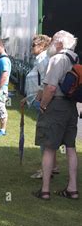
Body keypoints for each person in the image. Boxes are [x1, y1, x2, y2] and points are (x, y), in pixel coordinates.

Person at [33, 30, 79, 200]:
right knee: (71, 147)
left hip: (56, 106)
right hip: (71, 106)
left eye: (53, 41)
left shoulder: (57, 58)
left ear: (59, 43)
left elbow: (51, 88)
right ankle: (72, 189)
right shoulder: (75, 58)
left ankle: (45, 190)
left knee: (49, 147)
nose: (51, 43)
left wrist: (43, 105)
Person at [21, 35, 60, 179]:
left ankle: (46, 170)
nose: (31, 48)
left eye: (33, 45)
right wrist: (28, 98)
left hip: (44, 103)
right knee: (48, 136)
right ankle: (53, 167)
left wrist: (40, 100)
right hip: (41, 101)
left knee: (44, 137)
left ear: (42, 46)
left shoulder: (43, 59)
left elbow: (46, 81)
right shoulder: (41, 59)